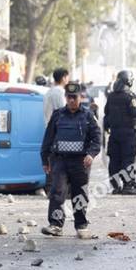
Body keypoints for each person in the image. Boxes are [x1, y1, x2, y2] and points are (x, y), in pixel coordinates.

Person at [40, 82, 101, 237]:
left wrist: (91, 154)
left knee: (80, 194)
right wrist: (44, 160)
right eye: (69, 97)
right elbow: (48, 138)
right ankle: (55, 225)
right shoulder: (58, 115)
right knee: (57, 192)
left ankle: (81, 225)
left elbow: (96, 138)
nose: (72, 100)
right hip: (60, 160)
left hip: (80, 162)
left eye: (74, 97)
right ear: (65, 97)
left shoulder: (88, 116)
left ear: (81, 97)